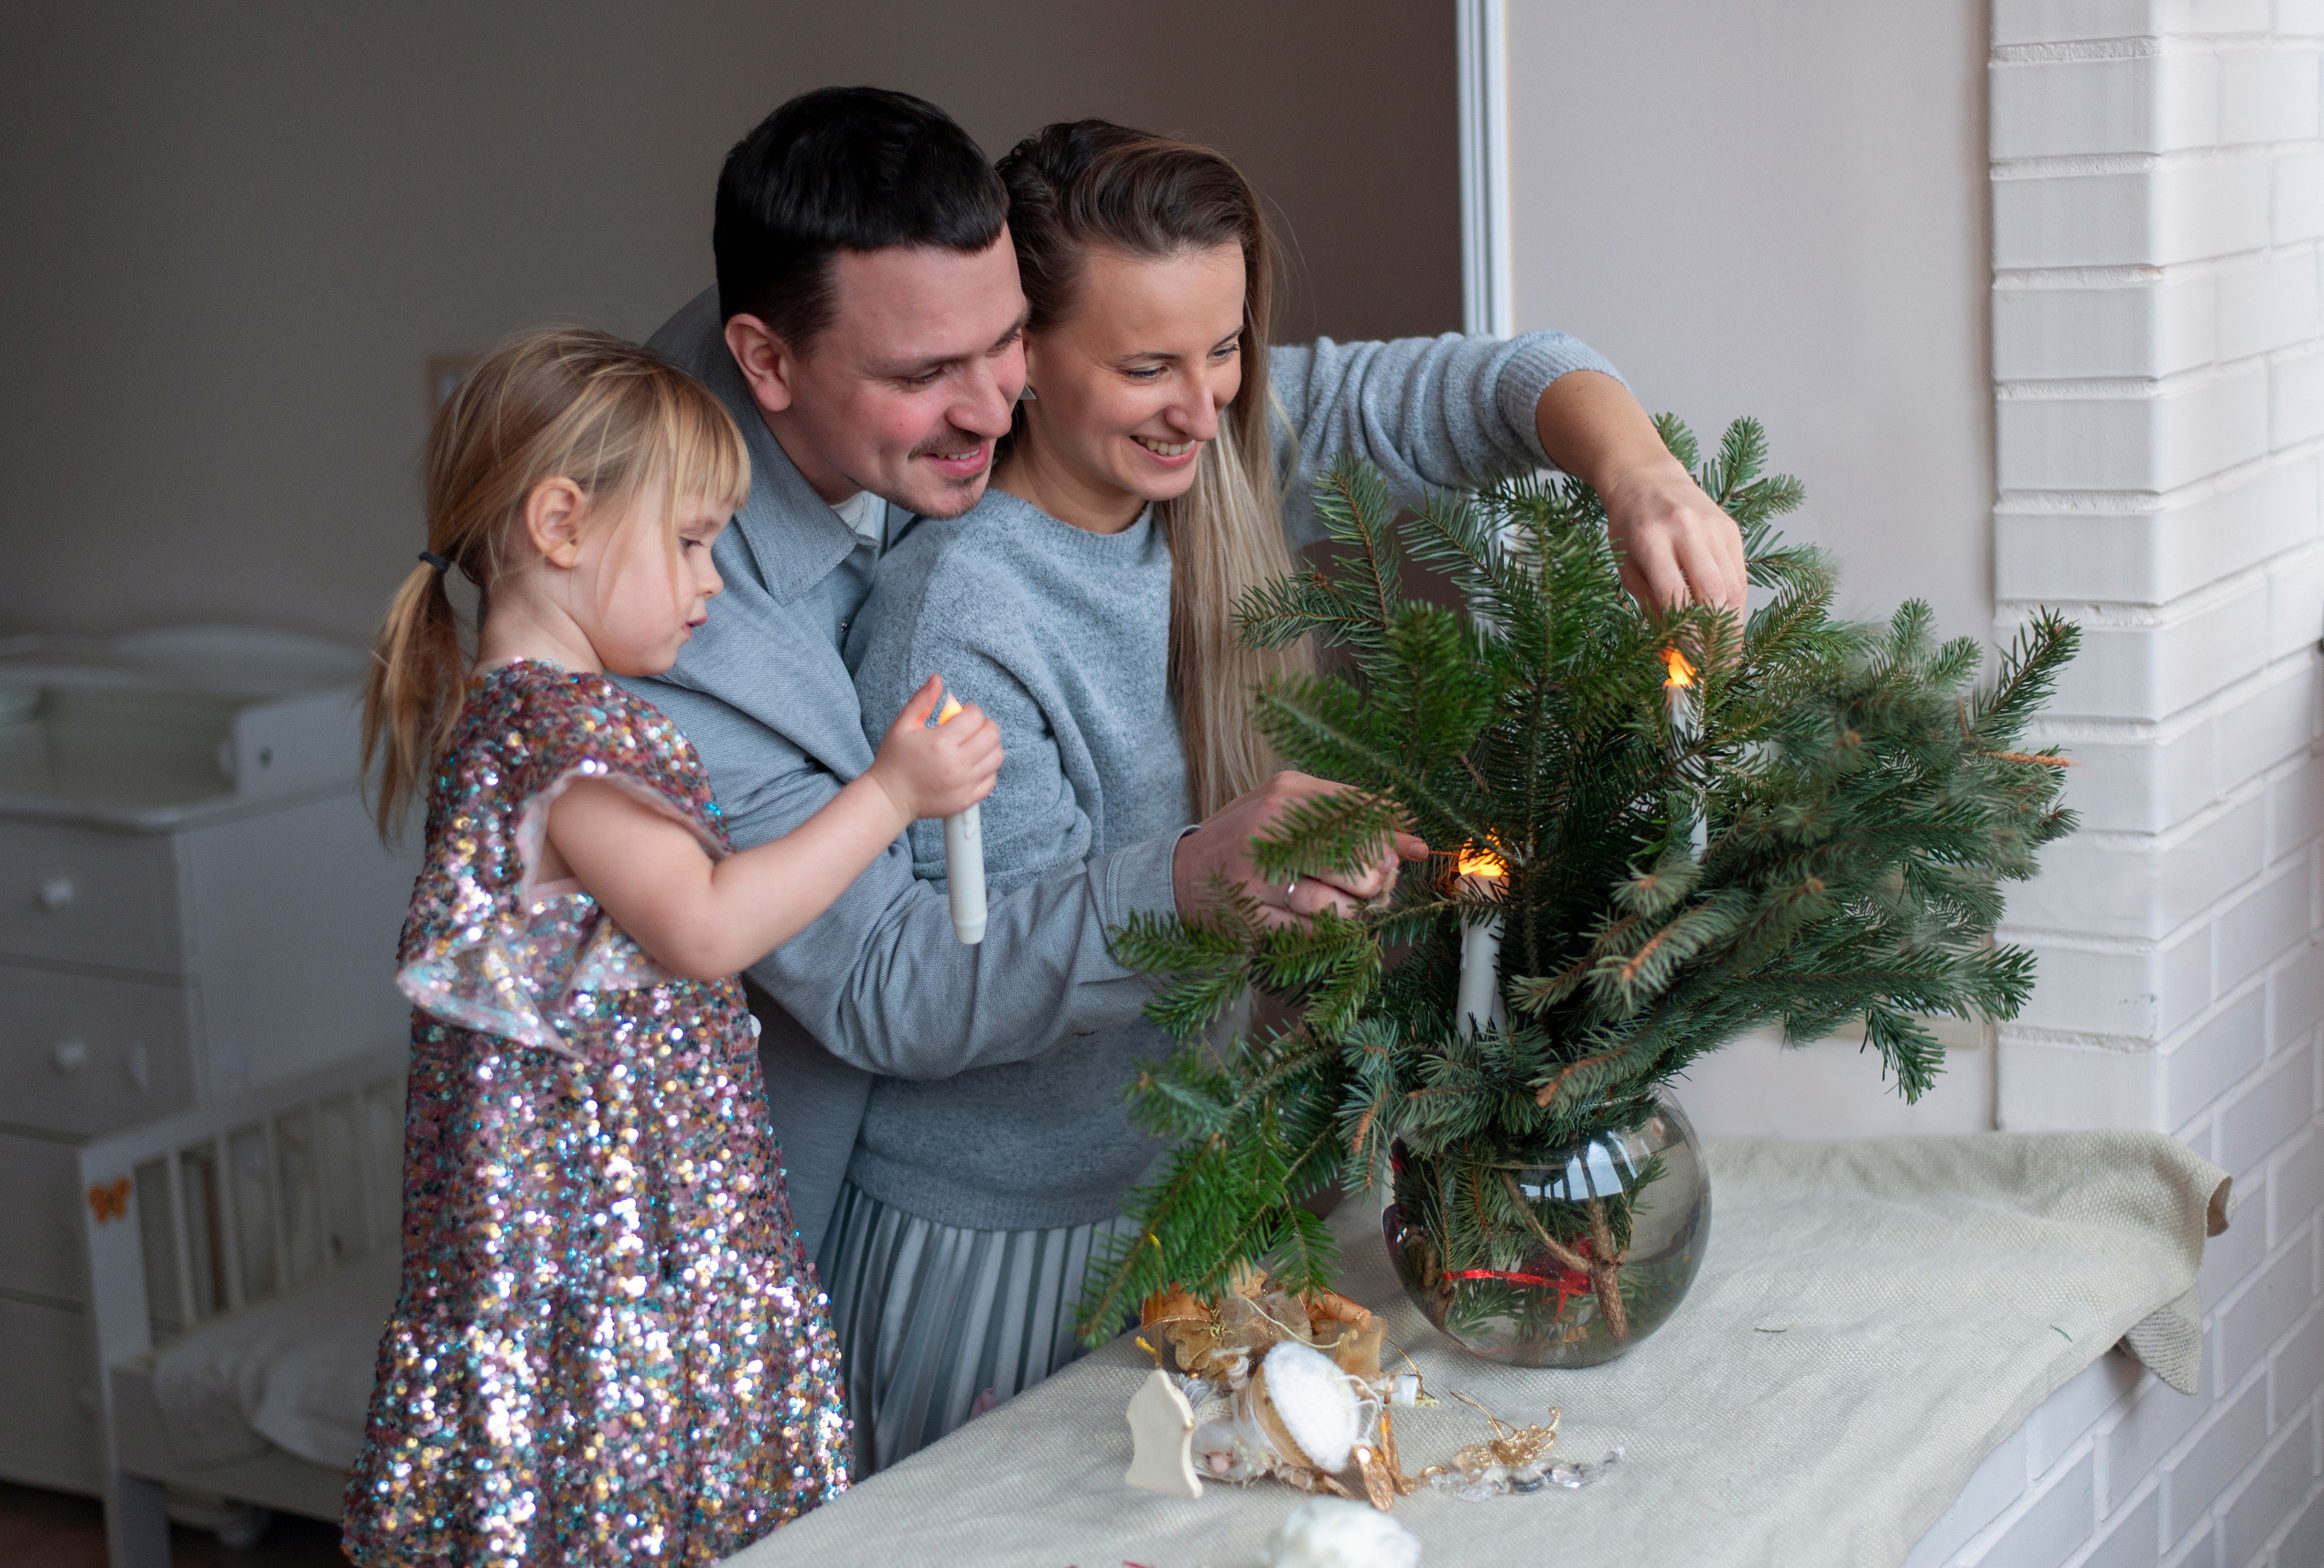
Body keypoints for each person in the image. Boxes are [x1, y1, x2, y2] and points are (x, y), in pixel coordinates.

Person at [634, 87, 1745, 1470]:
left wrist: (1639, 474)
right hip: (1001, 1236)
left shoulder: (1194, 449)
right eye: (1149, 361)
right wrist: (1201, 879)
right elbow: (921, 982)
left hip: (1176, 1190)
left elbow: (1486, 382)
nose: (1206, 396)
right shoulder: (883, 617)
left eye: (1225, 349)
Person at [340, 327, 1000, 1564]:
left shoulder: (554, 720)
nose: (712, 582)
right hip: (608, 1259)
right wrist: (891, 794)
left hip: (651, 1228)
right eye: (691, 542)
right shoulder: (556, 741)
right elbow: (704, 924)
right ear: (561, 525)